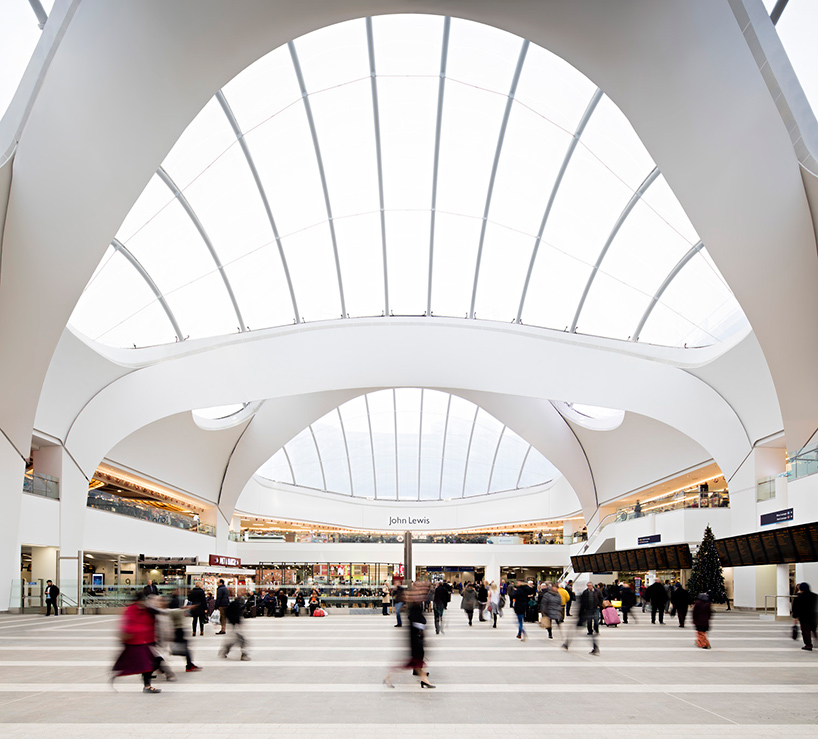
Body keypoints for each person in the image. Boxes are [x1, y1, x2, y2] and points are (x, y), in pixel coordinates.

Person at [111, 592, 166, 693]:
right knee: (146, 664)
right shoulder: (131, 610)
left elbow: (156, 617)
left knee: (154, 662)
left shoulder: (147, 610)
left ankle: (147, 684)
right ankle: (147, 686)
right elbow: (129, 625)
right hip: (136, 643)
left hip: (147, 641)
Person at [384, 582, 435, 689]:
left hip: (417, 635)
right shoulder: (413, 605)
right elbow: (414, 619)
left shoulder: (415, 603)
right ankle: (388, 677)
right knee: (412, 662)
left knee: (417, 661)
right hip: (415, 636)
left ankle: (424, 680)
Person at [564, 581, 599, 654]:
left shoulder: (589, 593)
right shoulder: (584, 593)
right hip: (584, 614)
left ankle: (567, 644)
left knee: (574, 631)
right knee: (574, 631)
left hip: (585, 615)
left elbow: (582, 606)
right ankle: (567, 644)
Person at [218, 592, 250, 661]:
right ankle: (243, 655)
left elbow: (229, 613)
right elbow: (237, 615)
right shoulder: (237, 605)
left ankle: (225, 650)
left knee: (235, 639)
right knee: (241, 640)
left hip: (233, 623)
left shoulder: (233, 604)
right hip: (235, 624)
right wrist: (239, 623)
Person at [792, 582, 818, 651]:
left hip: (804, 617)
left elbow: (795, 608)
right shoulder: (815, 596)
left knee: (805, 631)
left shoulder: (799, 597)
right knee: (814, 630)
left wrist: (795, 617)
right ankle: (816, 640)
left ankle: (808, 645)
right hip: (814, 616)